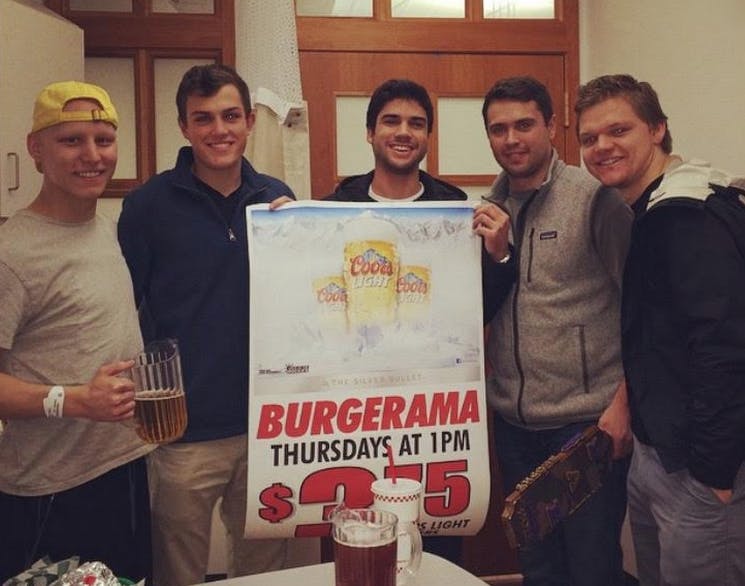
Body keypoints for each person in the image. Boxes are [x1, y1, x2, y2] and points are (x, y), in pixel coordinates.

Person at [320, 78, 513, 563]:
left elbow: (478, 311)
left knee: (435, 544)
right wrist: (277, 231)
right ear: (369, 133)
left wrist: (499, 255)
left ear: (428, 136)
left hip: (431, 407)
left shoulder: (458, 211)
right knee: (356, 537)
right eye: (391, 121)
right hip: (349, 410)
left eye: (416, 123)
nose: (403, 132)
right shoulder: (332, 209)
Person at [117, 64, 294, 586]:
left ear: (249, 122)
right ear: (184, 127)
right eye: (204, 118)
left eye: (231, 116)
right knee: (177, 572)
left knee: (263, 572)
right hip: (183, 435)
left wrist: (301, 238)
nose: (220, 129)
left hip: (269, 427)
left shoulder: (276, 198)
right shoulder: (147, 206)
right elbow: (124, 309)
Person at [576, 73, 745, 586]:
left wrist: (713, 477)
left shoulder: (686, 215)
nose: (602, 146)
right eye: (589, 138)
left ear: (657, 130)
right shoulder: (651, 207)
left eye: (618, 130)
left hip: (698, 470)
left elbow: (725, 350)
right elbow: (662, 339)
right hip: (657, 454)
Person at [481, 76, 633, 586]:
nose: (511, 139)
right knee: (539, 568)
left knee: (591, 568)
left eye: (524, 124)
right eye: (498, 129)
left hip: (582, 425)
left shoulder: (595, 199)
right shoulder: (488, 210)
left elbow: (642, 313)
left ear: (550, 125)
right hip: (514, 426)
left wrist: (623, 403)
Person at [0, 81, 152, 581]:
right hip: (51, 490)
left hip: (124, 467)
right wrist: (74, 400)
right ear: (36, 150)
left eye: (103, 140)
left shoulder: (104, 225)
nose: (92, 155)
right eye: (71, 140)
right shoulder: (12, 253)